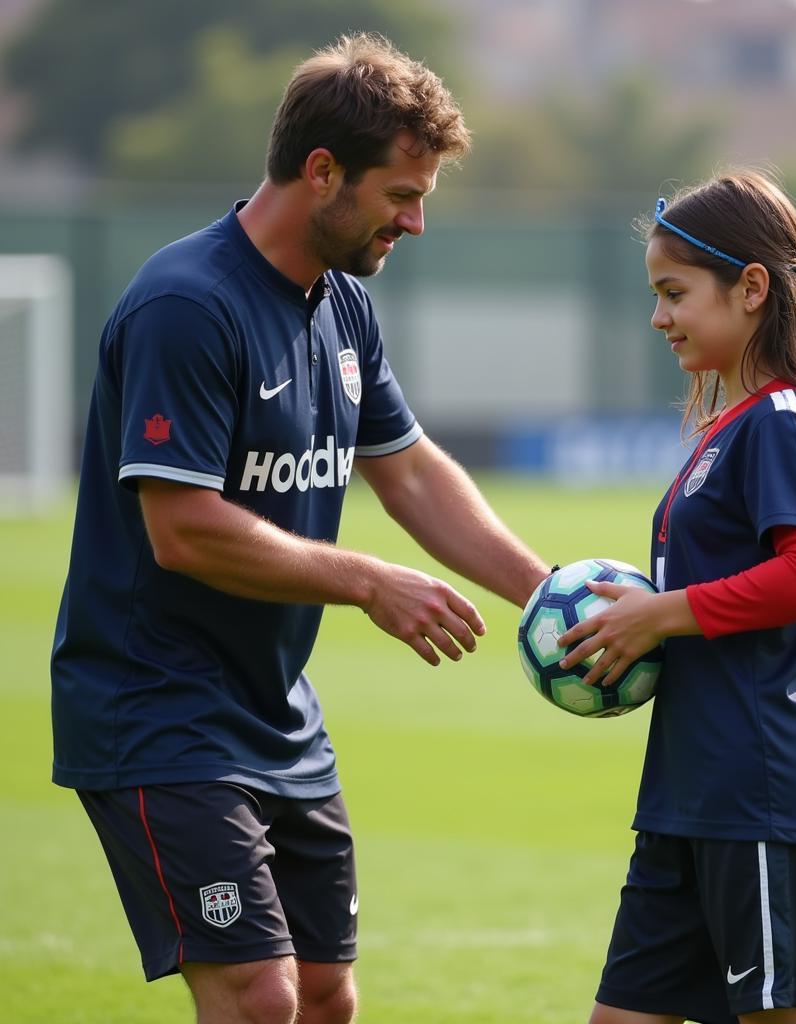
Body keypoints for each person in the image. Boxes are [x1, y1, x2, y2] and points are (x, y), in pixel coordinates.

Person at [50, 33, 550, 1024]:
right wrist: (367, 580)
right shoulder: (186, 305)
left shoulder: (344, 308)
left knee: (325, 994)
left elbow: (407, 472)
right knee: (259, 996)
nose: (414, 222)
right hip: (158, 705)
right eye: (399, 195)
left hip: (277, 710)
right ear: (321, 172)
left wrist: (551, 595)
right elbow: (183, 530)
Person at [558, 170, 796, 1024]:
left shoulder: (783, 417)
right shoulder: (732, 424)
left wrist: (658, 617)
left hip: (761, 794)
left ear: (751, 288)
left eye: (675, 292)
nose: (658, 316)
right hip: (688, 797)